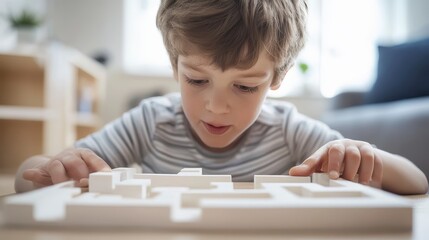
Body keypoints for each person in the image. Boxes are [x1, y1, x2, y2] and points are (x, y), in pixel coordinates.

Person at [15, 0, 428, 194]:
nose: (215, 106)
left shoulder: (287, 131)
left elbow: (416, 181)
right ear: (175, 66)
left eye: (246, 87)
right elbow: (30, 176)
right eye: (196, 80)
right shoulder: (150, 121)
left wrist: (362, 155)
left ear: (277, 78)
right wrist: (48, 168)